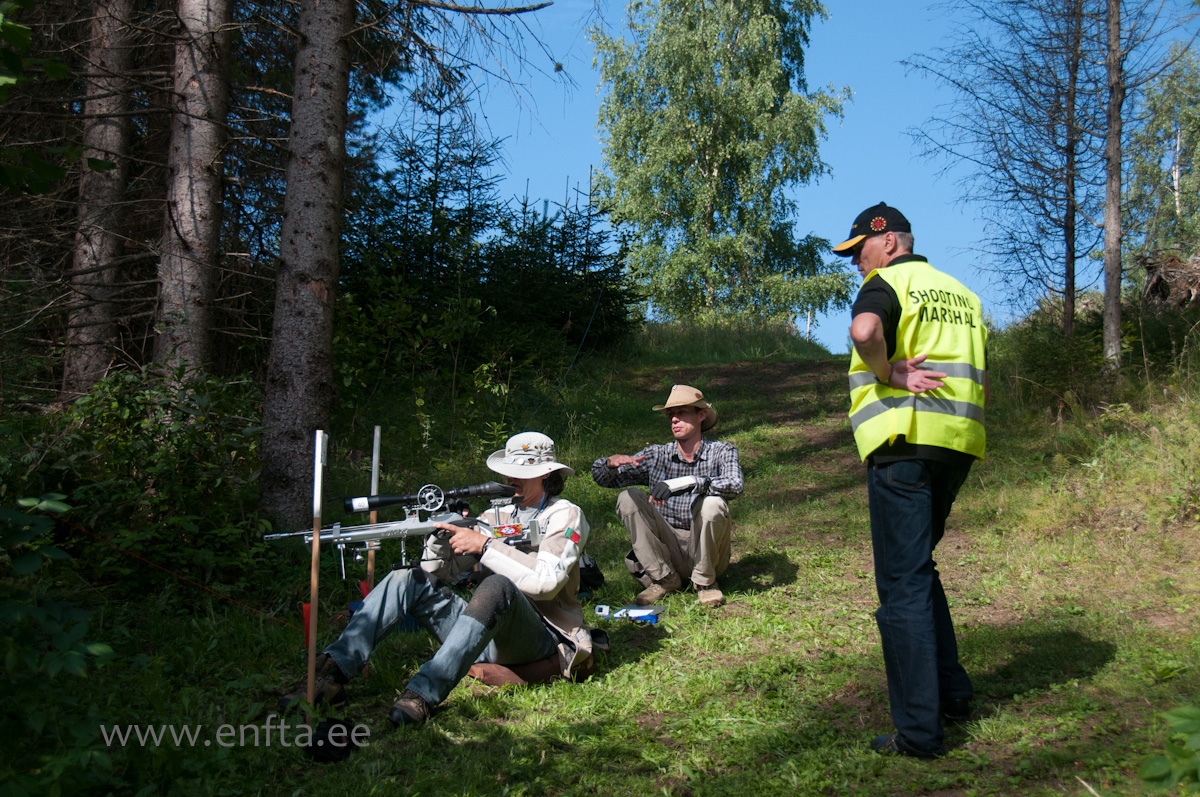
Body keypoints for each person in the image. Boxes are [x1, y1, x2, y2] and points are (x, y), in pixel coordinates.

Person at [288, 431, 599, 727]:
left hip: (541, 636)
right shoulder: (496, 516)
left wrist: (486, 547)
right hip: (484, 632)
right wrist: (440, 538)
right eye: (509, 470)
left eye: (520, 471)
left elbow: (545, 584)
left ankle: (421, 694)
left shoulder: (565, 515)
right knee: (405, 578)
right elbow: (440, 574)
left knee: (497, 585)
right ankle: (330, 673)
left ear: (546, 474)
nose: (510, 478)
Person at [833, 202, 989, 759]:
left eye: (860, 251)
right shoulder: (962, 295)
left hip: (903, 445)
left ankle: (919, 733)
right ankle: (953, 693)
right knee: (919, 568)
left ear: (890, 243)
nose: (857, 264)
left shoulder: (888, 284)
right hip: (957, 447)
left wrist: (885, 370)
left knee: (901, 587)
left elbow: (865, 330)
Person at [591, 385, 743, 608]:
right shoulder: (657, 454)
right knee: (628, 497)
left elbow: (736, 485)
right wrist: (609, 464)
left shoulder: (722, 451)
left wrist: (691, 483)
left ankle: (705, 584)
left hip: (705, 548)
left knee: (713, 503)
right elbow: (606, 480)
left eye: (682, 413)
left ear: (701, 415)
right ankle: (664, 579)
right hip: (666, 548)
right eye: (671, 415)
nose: (674, 420)